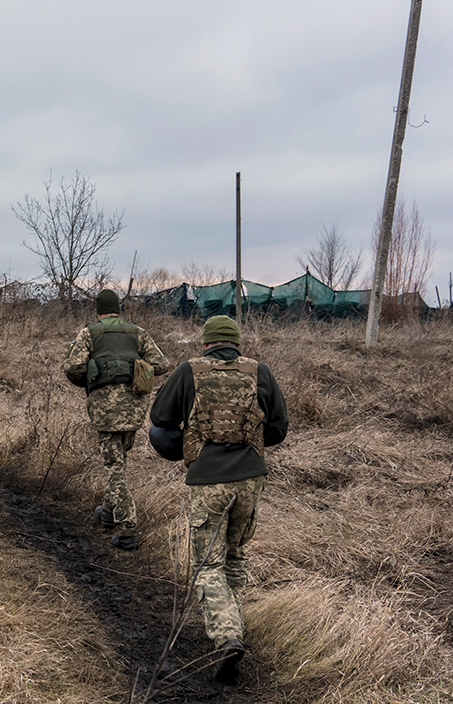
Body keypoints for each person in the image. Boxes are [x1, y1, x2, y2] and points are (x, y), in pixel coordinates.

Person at [148, 315, 288, 684]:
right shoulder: (261, 371)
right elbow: (277, 429)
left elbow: (159, 419)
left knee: (207, 564)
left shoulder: (189, 371)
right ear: (236, 342)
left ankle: (227, 638)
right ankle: (234, 626)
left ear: (206, 342)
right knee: (236, 554)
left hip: (208, 478)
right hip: (250, 477)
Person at [63, 289, 171, 550]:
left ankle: (127, 528)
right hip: (134, 407)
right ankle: (109, 511)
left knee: (114, 466)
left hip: (104, 409)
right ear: (118, 309)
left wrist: (92, 379)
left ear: (98, 310)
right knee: (118, 459)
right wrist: (134, 376)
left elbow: (72, 367)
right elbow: (162, 363)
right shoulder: (137, 332)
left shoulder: (90, 332)